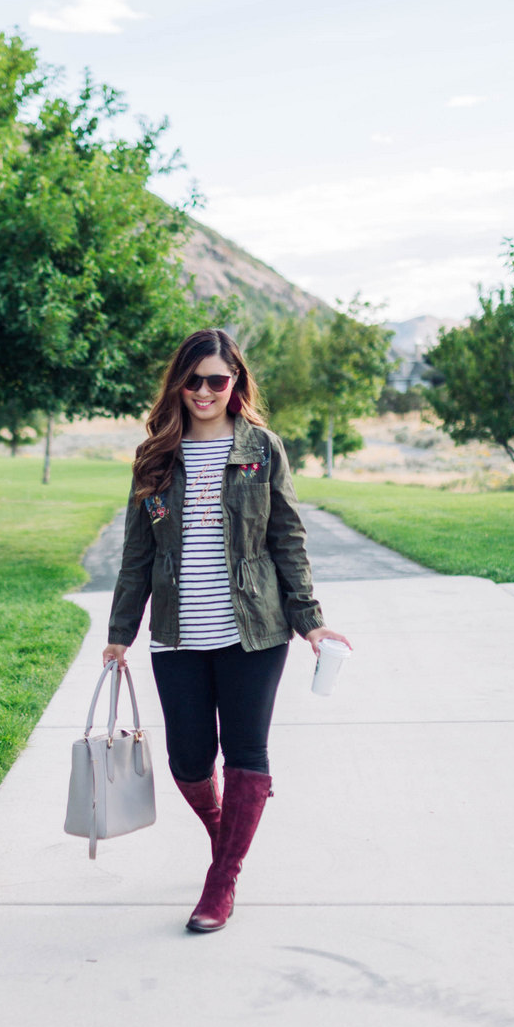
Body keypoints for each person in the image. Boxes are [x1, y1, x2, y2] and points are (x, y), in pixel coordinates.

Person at [102, 327, 351, 932]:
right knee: (189, 760)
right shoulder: (155, 456)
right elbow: (136, 554)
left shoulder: (262, 448)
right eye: (195, 380)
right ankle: (226, 836)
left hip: (257, 633)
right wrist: (120, 632)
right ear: (179, 384)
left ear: (235, 381)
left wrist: (311, 622)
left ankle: (223, 878)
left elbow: (287, 538)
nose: (205, 390)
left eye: (218, 379)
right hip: (178, 635)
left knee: (245, 753)